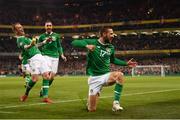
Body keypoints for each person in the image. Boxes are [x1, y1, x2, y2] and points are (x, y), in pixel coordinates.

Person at [71, 27, 137, 112]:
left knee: (119, 75)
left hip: (106, 75)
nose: (113, 36)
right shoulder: (93, 42)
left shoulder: (111, 47)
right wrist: (86, 45)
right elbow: (74, 42)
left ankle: (116, 103)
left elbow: (113, 60)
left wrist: (125, 63)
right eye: (111, 34)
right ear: (104, 34)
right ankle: (95, 94)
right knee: (91, 109)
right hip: (94, 78)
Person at [12, 22, 53, 103]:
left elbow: (36, 46)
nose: (21, 28)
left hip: (40, 56)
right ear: (16, 31)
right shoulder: (19, 40)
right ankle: (25, 94)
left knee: (47, 76)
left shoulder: (26, 38)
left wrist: (45, 42)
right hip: (33, 59)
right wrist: (31, 44)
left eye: (21, 26)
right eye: (19, 28)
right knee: (35, 79)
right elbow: (26, 48)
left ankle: (45, 97)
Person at [37, 20, 67, 96]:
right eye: (47, 25)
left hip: (55, 57)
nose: (49, 27)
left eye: (50, 25)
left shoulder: (56, 36)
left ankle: (42, 89)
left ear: (52, 26)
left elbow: (59, 46)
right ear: (45, 27)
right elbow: (37, 46)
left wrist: (62, 55)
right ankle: (45, 95)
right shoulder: (42, 36)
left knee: (52, 77)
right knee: (47, 74)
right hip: (46, 56)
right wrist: (43, 44)